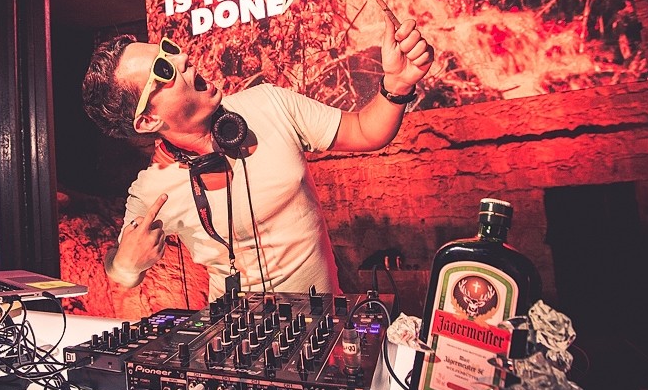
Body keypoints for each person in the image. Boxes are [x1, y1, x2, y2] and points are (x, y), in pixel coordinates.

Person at [81, 19, 434, 299]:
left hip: (322, 325)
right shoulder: (152, 189)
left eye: (168, 50)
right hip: (235, 340)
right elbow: (120, 269)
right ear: (147, 121)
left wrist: (397, 85)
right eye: (163, 69)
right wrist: (126, 264)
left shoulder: (270, 104)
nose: (182, 58)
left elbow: (365, 131)